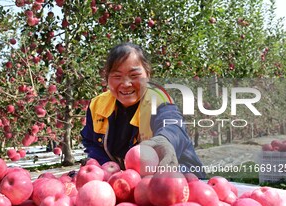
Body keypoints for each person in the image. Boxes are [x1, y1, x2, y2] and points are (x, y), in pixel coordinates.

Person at [80, 42, 205, 178]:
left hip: (178, 177)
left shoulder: (158, 100)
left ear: (148, 75)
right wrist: (105, 170)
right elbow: (92, 142)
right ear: (107, 79)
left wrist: (164, 141)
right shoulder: (98, 105)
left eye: (134, 76)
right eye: (117, 77)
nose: (126, 84)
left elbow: (173, 126)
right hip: (132, 183)